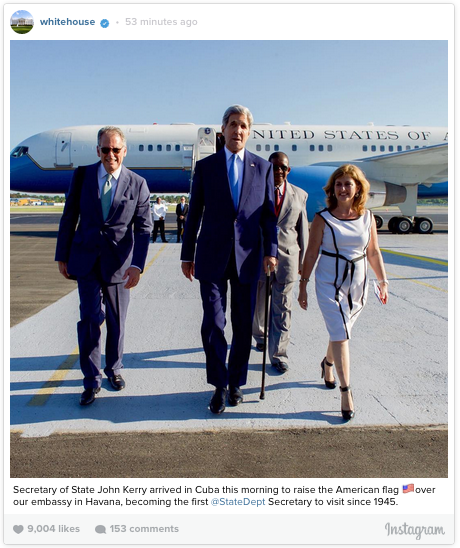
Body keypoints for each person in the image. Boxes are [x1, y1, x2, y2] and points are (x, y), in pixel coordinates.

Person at [181, 105, 278, 414]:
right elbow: (194, 213)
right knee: (213, 323)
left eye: (243, 126)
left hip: (248, 258)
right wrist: (186, 254)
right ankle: (219, 384)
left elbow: (268, 218)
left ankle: (235, 382)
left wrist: (271, 252)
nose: (237, 130)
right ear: (222, 129)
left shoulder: (262, 168)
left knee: (242, 324)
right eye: (233, 124)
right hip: (211, 256)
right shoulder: (206, 167)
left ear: (249, 132)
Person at [55, 126, 152, 406]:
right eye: (105, 149)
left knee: (117, 322)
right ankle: (91, 380)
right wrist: (63, 255)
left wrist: (138, 266)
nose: (111, 155)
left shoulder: (138, 183)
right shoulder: (82, 175)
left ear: (124, 151)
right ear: (98, 150)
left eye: (116, 150)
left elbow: (144, 229)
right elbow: (69, 216)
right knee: (89, 321)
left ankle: (114, 369)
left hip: (119, 266)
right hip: (85, 260)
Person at [298, 164, 388, 421]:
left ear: (358, 188)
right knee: (340, 332)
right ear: (332, 189)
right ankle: (346, 391)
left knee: (342, 332)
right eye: (338, 184)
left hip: (358, 284)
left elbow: (373, 252)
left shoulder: (367, 217)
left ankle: (327, 364)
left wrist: (383, 281)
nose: (343, 188)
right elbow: (311, 253)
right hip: (328, 282)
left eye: (348, 184)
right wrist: (303, 285)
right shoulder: (322, 218)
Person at [252, 152, 308, 373]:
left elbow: (303, 231)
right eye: (274, 167)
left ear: (288, 170)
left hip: (287, 259)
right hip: (259, 257)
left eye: (282, 168)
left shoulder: (300, 195)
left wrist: (303, 262)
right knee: (258, 304)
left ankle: (278, 354)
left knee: (283, 307)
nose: (278, 171)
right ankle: (260, 336)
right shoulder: (256, 192)